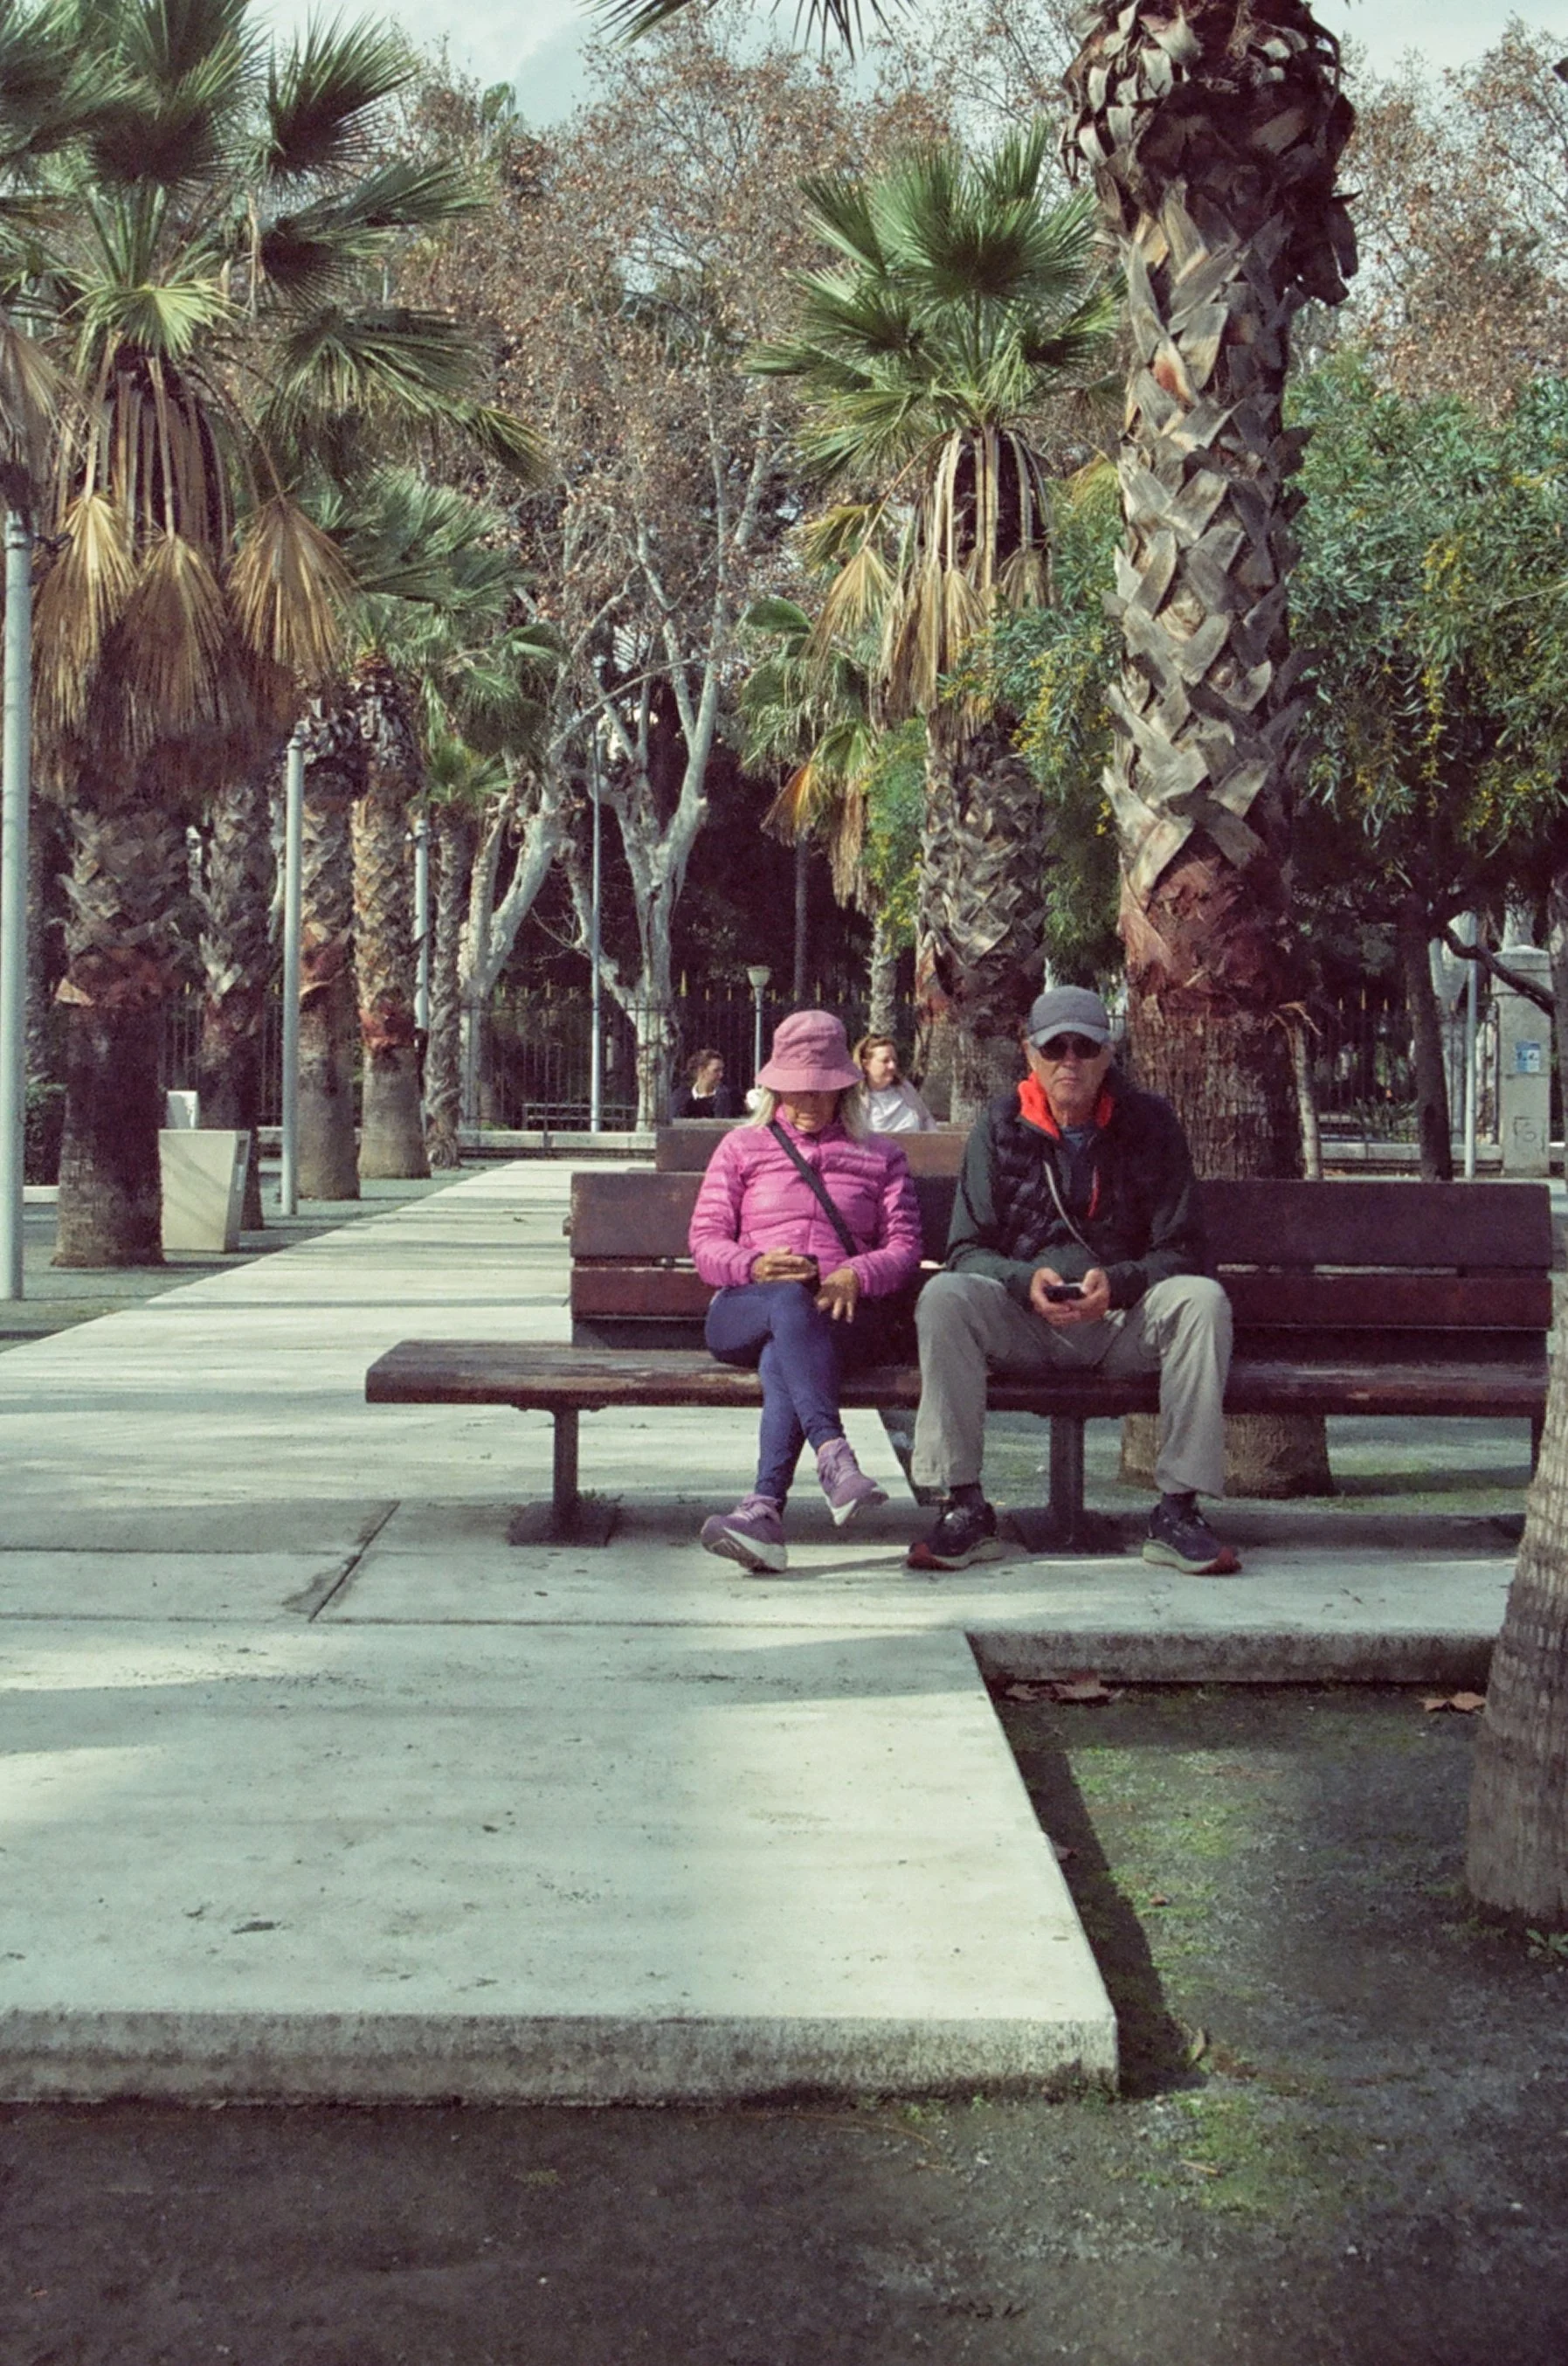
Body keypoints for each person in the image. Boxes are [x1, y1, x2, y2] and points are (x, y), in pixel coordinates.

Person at [906, 984, 1239, 1577]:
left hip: (1121, 1321)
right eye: (1053, 1047)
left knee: (1201, 1300)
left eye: (1083, 1048)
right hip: (1024, 1322)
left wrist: (1118, 1282)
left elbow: (1184, 1250)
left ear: (1107, 1054)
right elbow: (965, 1250)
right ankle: (963, 1505)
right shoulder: (998, 1125)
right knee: (944, 1297)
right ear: (1029, 1053)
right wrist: (1022, 1280)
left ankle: (1178, 1511)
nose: (1069, 1061)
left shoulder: (1151, 1124)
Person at [689, 1009, 923, 1574]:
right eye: (795, 1088)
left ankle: (763, 1513)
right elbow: (705, 1242)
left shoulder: (881, 1156)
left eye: (820, 1089)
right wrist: (754, 1264)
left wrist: (856, 1274)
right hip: (745, 1309)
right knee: (789, 1304)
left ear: (844, 1088)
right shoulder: (741, 1148)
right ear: (776, 1087)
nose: (807, 1101)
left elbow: (904, 1247)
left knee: (786, 1352)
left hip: (840, 1316)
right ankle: (833, 1455)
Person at [854, 1034, 937, 1133]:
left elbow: (926, 1119)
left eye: (894, 1060)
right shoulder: (855, 1097)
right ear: (866, 1065)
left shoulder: (905, 1088)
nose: (892, 1066)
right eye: (885, 1061)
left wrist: (933, 1138)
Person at [671, 1048, 742, 1120]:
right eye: (716, 1070)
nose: (721, 1075)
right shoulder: (679, 1099)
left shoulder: (730, 1098)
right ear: (701, 1071)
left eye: (722, 1070)